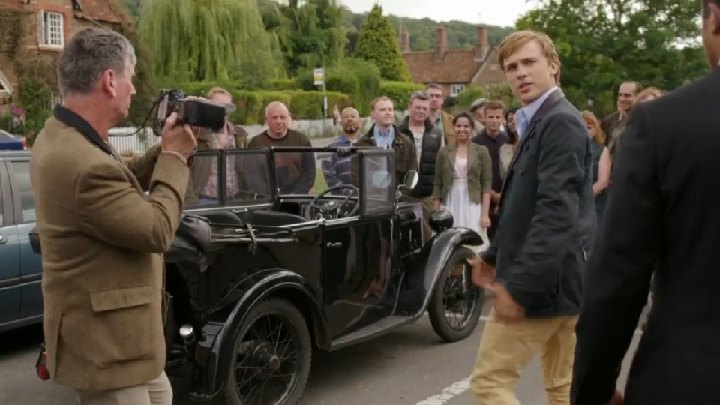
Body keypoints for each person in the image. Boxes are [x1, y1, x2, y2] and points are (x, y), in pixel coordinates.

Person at [30, 28, 196, 405]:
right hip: (108, 351)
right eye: (131, 79)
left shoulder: (65, 136)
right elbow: (156, 230)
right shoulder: (81, 162)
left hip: (126, 343)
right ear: (109, 80)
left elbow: (120, 176)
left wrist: (163, 149)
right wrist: (174, 159)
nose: (134, 90)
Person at [571, 2, 720, 404]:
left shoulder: (663, 124)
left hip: (690, 379)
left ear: (713, 17)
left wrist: (594, 390)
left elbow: (617, 278)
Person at [468, 30, 595, 405]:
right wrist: (493, 257)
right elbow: (523, 205)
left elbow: (556, 213)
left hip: (542, 288)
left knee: (490, 384)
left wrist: (519, 287)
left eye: (529, 62)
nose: (520, 73)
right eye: (511, 67)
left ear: (553, 66)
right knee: (562, 387)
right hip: (562, 283)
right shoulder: (541, 120)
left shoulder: (560, 122)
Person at [186, 87, 247, 206]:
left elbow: (246, 168)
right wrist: (192, 201)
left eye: (227, 107)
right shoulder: (196, 134)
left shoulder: (239, 135)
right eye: (218, 106)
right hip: (205, 200)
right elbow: (185, 168)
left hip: (234, 199)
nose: (223, 111)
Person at [433, 112, 492, 234]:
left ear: (472, 128)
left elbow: (486, 183)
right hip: (449, 200)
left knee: (472, 238)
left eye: (466, 126)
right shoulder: (443, 152)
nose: (462, 129)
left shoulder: (481, 151)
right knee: (448, 237)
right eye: (458, 126)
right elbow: (437, 183)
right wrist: (436, 212)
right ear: (453, 127)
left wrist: (485, 215)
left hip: (472, 202)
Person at [397, 90, 443, 240]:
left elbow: (442, 166)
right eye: (418, 107)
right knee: (402, 238)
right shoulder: (396, 133)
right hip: (402, 196)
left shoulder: (437, 134)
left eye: (424, 108)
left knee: (428, 238)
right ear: (410, 107)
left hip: (426, 196)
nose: (421, 111)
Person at [248, 101, 316, 194]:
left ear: (288, 119)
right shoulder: (256, 143)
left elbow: (310, 172)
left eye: (282, 117)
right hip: (267, 198)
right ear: (267, 120)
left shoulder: (301, 140)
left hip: (297, 197)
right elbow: (252, 174)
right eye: (274, 118)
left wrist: (295, 195)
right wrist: (268, 194)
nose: (279, 121)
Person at [472, 100, 509, 238]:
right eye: (491, 117)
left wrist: (502, 197)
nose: (494, 121)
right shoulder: (475, 142)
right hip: (483, 201)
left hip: (505, 199)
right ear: (484, 118)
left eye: (498, 117)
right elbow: (474, 174)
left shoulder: (508, 142)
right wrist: (492, 194)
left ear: (502, 119)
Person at [581, 111, 611, 222]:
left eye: (588, 127)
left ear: (595, 131)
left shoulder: (602, 150)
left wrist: (583, 198)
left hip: (595, 206)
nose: (584, 131)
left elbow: (602, 182)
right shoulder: (569, 150)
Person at [322, 106, 362, 188]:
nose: (350, 119)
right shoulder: (331, 148)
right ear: (340, 122)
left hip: (368, 197)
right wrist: (348, 193)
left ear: (360, 121)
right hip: (342, 199)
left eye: (353, 116)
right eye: (346, 117)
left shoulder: (370, 144)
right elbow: (330, 178)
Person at [602, 80, 642, 154]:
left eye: (627, 96)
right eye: (620, 95)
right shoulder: (609, 121)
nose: (621, 99)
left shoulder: (643, 121)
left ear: (638, 96)